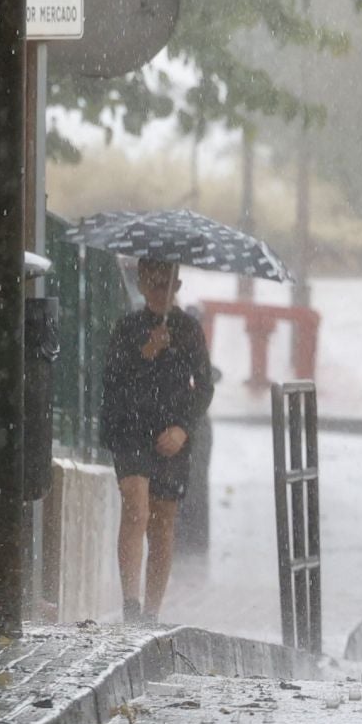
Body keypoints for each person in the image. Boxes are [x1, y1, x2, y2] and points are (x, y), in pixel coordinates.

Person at [102, 259, 215, 624]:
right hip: (131, 430)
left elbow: (204, 386)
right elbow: (113, 380)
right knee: (136, 508)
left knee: (162, 520)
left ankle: (151, 611)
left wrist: (182, 428)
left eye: (168, 283)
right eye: (153, 282)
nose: (160, 290)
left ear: (177, 285)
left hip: (171, 437)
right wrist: (145, 352)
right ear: (141, 283)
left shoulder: (189, 330)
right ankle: (130, 604)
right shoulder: (128, 327)